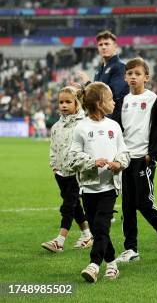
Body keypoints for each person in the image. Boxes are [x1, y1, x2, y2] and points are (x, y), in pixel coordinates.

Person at [110, 57, 157, 263]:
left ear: (146, 77)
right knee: (127, 205)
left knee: (143, 201)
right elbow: (117, 130)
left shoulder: (155, 100)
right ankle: (131, 248)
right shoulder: (121, 102)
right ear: (125, 77)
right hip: (126, 159)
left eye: (137, 74)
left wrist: (152, 154)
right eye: (129, 74)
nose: (133, 77)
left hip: (143, 159)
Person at [67, 82, 130, 283]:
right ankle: (112, 264)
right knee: (97, 229)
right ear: (100, 103)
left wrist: (119, 163)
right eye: (111, 99)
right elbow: (72, 158)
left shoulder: (114, 126)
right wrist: (92, 162)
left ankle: (94, 265)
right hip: (87, 188)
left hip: (110, 187)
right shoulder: (81, 128)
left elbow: (124, 151)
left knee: (101, 226)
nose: (114, 102)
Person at [42, 86, 92, 253]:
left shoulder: (83, 124)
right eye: (61, 102)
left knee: (68, 206)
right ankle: (87, 234)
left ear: (77, 104)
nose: (63, 105)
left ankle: (60, 240)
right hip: (61, 172)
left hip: (76, 172)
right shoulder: (57, 126)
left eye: (68, 102)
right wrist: (54, 166)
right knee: (74, 204)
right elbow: (53, 148)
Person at [76, 30, 129, 116]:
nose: (103, 47)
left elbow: (111, 94)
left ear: (115, 46)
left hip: (116, 119)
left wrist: (88, 83)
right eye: (100, 44)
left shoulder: (121, 67)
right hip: (102, 118)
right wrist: (82, 91)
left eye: (107, 44)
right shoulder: (99, 70)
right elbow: (95, 97)